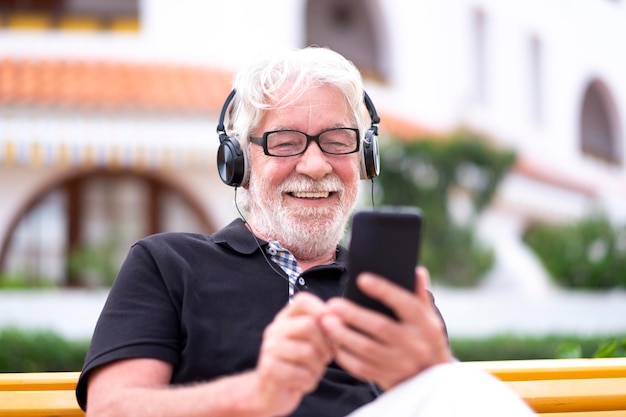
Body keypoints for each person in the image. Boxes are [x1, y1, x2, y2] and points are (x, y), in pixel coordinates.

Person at [76, 46, 534, 417]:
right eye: (285, 142)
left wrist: (430, 373)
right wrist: (257, 395)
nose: (315, 166)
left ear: (364, 159)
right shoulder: (166, 264)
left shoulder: (391, 289)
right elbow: (112, 408)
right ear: (239, 163)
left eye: (338, 141)